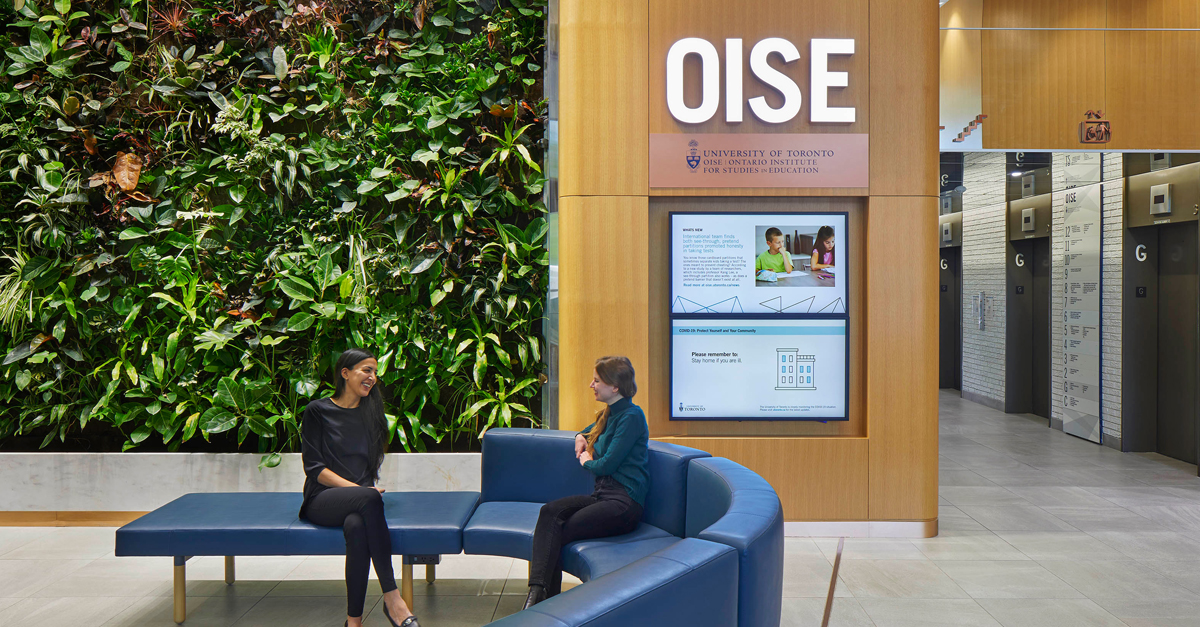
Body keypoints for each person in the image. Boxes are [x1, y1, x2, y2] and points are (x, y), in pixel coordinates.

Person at [300, 348, 420, 627]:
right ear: (345, 373)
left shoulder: (371, 414)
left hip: (361, 504)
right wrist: (360, 491)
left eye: (375, 372)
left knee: (356, 527)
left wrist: (363, 492)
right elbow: (314, 469)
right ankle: (393, 600)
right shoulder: (317, 411)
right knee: (366, 500)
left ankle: (353, 621)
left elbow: (368, 470)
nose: (373, 377)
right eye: (366, 370)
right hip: (322, 500)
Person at [524, 356, 650, 609]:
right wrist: (581, 435)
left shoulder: (632, 416)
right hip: (603, 496)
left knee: (554, 534)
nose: (591, 385)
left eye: (596, 381)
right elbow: (593, 427)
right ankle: (539, 596)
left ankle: (542, 604)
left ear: (615, 387)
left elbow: (607, 465)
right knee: (549, 512)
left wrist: (585, 461)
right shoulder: (611, 412)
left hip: (624, 503)